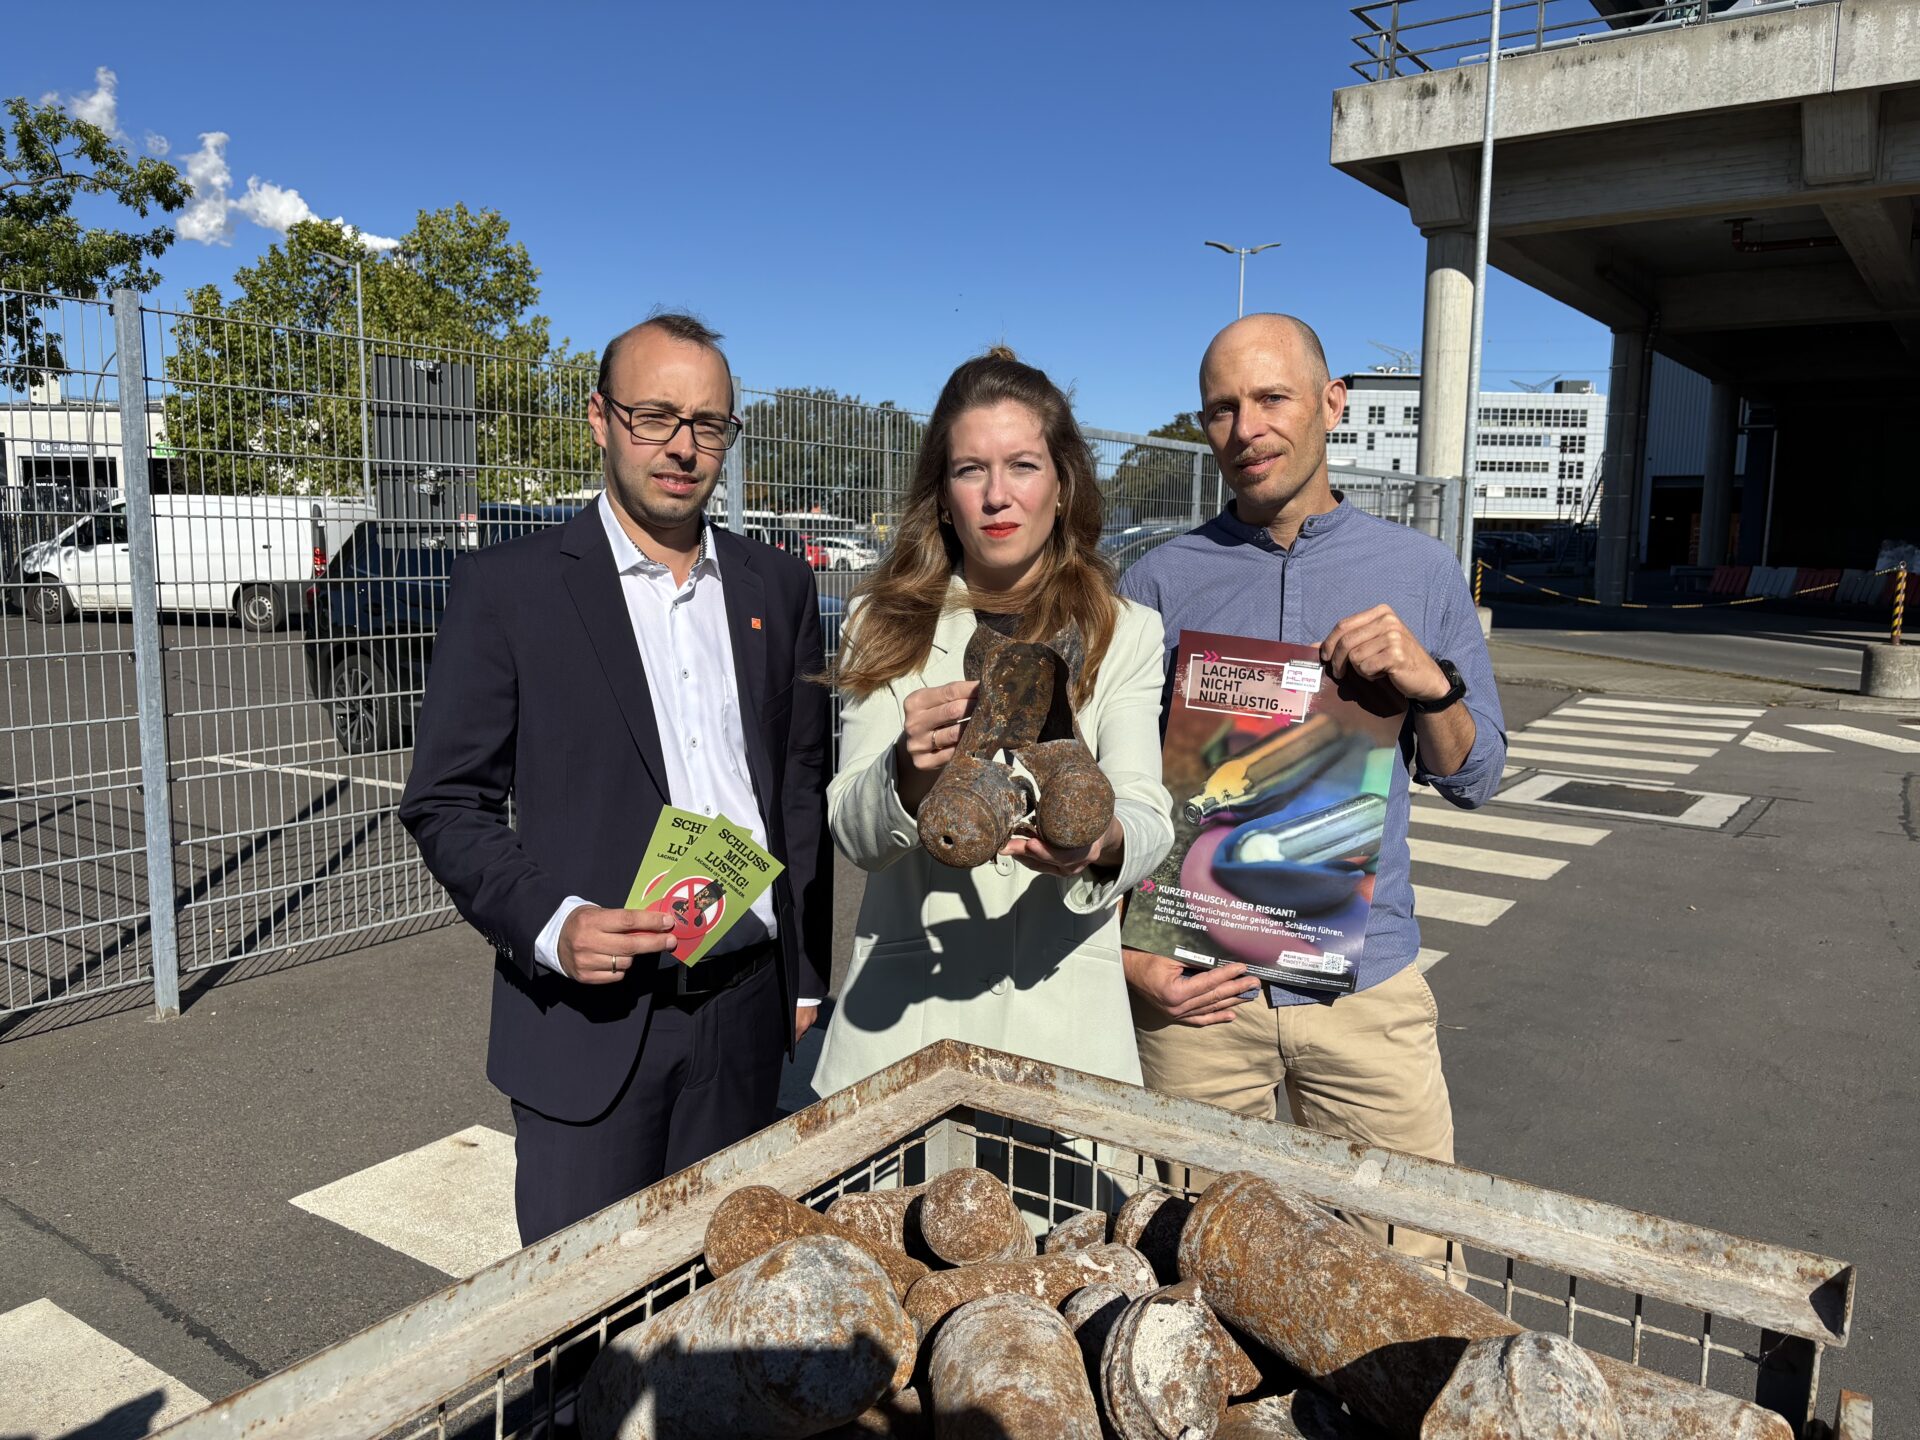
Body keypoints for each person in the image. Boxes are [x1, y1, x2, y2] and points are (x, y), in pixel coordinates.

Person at [398, 312, 831, 1246]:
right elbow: (446, 801)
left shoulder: (778, 588)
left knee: (721, 1311)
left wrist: (803, 978)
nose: (682, 446)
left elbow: (798, 792)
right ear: (600, 419)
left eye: (708, 424)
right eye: (654, 416)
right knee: (580, 1334)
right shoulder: (509, 590)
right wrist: (553, 924)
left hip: (747, 1014)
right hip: (589, 1021)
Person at [1119, 313, 1506, 1264]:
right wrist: (1130, 964)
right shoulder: (1158, 584)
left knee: (1408, 1275)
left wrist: (1433, 688)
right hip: (1201, 995)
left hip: (1368, 998)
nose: (1245, 427)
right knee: (1191, 1274)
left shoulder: (1419, 573)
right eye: (1221, 407)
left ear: (1333, 404)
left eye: (1271, 397)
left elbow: (1480, 773)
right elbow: (1116, 795)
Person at [811, 347, 1174, 1096]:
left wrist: (1098, 843)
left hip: (1067, 1031)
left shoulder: (1127, 631)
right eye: (971, 470)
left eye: (1023, 466)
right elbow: (851, 828)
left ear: (1063, 485)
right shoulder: (881, 622)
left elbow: (1149, 813)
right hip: (906, 1036)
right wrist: (905, 775)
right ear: (943, 496)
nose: (996, 496)